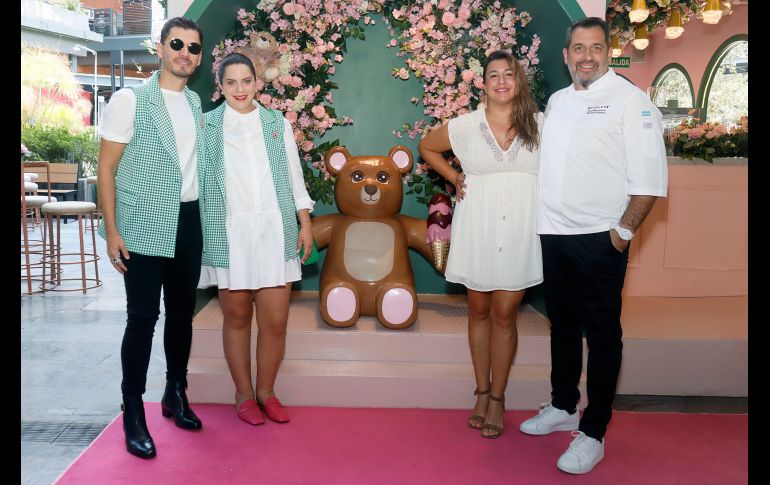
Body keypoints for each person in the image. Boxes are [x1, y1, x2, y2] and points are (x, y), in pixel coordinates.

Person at [519, 17, 668, 474]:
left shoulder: (631, 102)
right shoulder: (559, 101)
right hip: (555, 234)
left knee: (602, 336)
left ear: (608, 52)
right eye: (578, 48)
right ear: (566, 57)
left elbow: (649, 180)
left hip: (601, 239)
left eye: (596, 48)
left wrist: (621, 233)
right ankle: (564, 404)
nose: (586, 56)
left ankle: (594, 431)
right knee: (562, 326)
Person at [418, 50, 543, 439]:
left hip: (522, 226)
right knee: (478, 309)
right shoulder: (465, 126)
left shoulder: (541, 125)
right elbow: (426, 147)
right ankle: (481, 391)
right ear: (483, 83)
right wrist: (454, 177)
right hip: (478, 224)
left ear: (519, 80)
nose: (502, 81)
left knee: (506, 313)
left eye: (509, 74)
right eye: (494, 75)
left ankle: (499, 397)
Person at [97, 17, 206, 459]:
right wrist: (112, 230)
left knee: (182, 315)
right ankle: (132, 412)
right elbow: (106, 168)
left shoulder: (197, 103)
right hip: (142, 223)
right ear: (159, 48)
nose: (185, 52)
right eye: (177, 43)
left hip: (188, 220)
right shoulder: (130, 100)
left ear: (199, 58)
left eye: (194, 48)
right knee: (142, 319)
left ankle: (174, 393)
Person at [198, 53, 314, 426]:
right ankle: (244, 395)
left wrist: (304, 221)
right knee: (236, 316)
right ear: (220, 86)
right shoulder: (207, 126)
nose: (239, 89)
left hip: (274, 229)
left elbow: (294, 175)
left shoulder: (276, 123)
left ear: (257, 82)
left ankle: (267, 391)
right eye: (230, 83)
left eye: (246, 81)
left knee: (275, 320)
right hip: (229, 230)